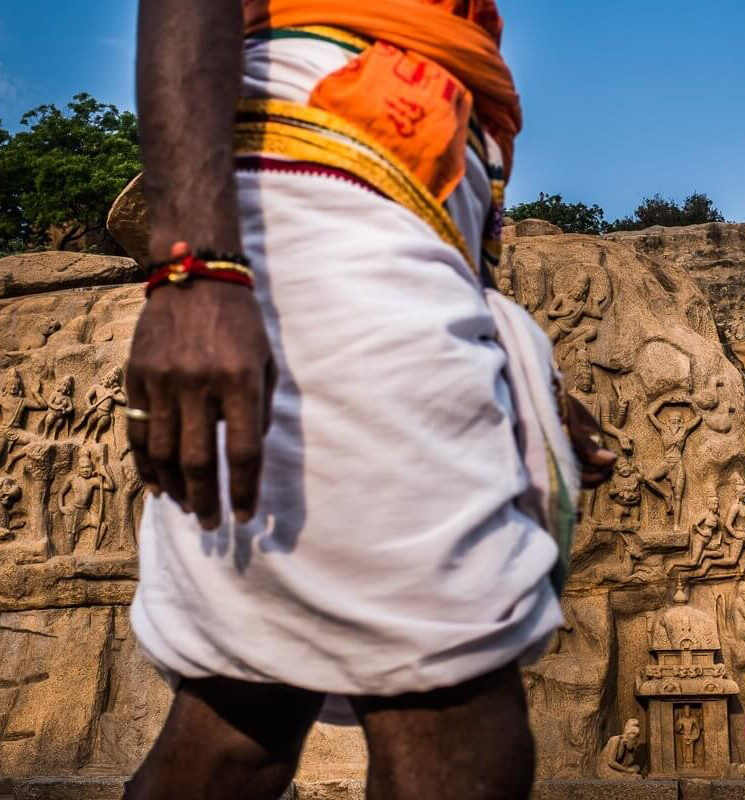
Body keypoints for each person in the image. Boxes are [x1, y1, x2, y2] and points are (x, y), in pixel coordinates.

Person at [122, 2, 615, 799]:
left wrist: (496, 345)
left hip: (381, 211)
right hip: (321, 184)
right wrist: (194, 268)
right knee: (456, 710)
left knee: (243, 713)